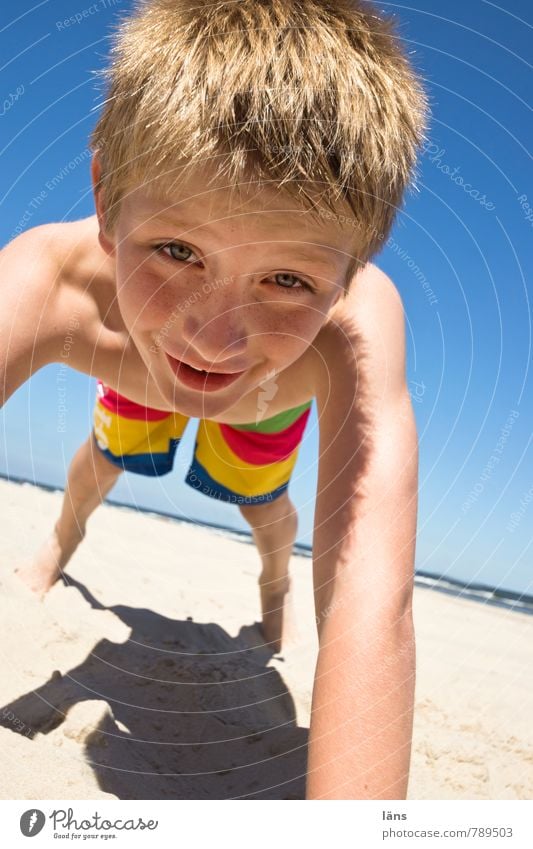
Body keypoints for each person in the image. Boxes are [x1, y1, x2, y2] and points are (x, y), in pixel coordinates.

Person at [0, 0, 427, 799]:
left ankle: (272, 589)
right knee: (101, 460)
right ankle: (59, 548)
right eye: (176, 250)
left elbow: (373, 601)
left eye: (288, 279)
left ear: (352, 269)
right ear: (104, 196)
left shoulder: (357, 332)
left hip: (263, 403)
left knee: (264, 508)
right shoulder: (47, 281)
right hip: (133, 368)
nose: (215, 340)